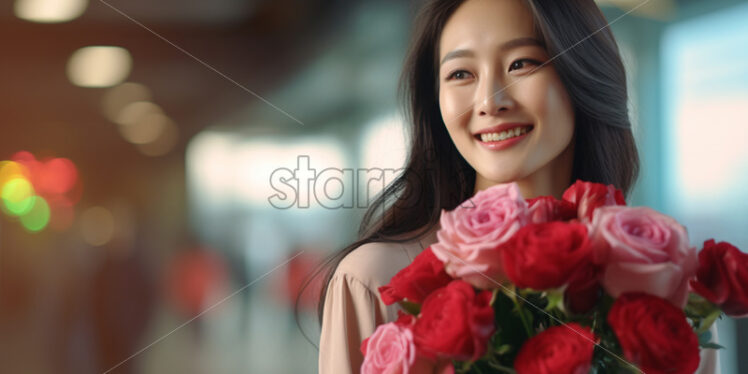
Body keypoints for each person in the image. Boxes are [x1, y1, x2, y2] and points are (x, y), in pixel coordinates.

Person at [303, 0, 721, 372]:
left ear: (583, 75)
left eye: (521, 63)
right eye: (461, 73)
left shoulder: (663, 282)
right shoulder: (375, 281)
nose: (489, 100)